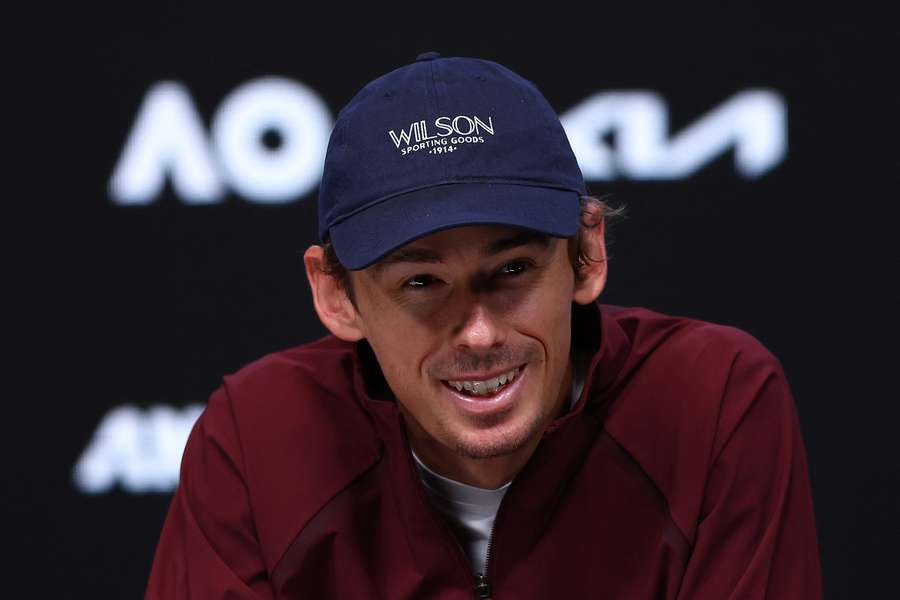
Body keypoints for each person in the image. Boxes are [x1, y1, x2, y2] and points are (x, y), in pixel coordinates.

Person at [146, 52, 823, 599]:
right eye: (421, 283)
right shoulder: (258, 438)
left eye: (512, 270)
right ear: (336, 294)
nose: (478, 335)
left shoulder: (712, 399)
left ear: (588, 254)